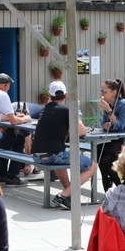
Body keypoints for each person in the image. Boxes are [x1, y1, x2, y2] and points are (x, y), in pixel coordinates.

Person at [28, 80, 98, 210]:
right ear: (66, 95)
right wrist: (75, 111)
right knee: (92, 166)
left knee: (60, 160)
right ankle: (63, 195)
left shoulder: (44, 110)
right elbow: (82, 131)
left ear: (49, 96)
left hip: (36, 156)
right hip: (52, 155)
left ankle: (67, 195)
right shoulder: (67, 110)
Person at [97, 78, 125, 190]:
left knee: (104, 155)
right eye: (101, 91)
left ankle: (120, 188)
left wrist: (109, 112)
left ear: (113, 93)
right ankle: (112, 188)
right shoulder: (108, 105)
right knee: (102, 157)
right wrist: (106, 125)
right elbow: (104, 123)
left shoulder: (124, 104)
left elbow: (120, 126)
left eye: (104, 91)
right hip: (118, 140)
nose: (101, 94)